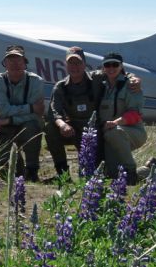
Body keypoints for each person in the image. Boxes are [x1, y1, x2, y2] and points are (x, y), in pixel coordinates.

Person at [45, 46, 142, 179]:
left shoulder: (97, 78)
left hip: (95, 131)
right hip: (73, 129)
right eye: (71, 63)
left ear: (85, 64)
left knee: (101, 174)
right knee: (50, 128)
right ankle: (63, 174)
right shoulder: (60, 87)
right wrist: (62, 125)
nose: (75, 66)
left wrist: (133, 78)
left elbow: (117, 73)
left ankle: (144, 170)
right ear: (65, 65)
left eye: (78, 62)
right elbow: (54, 112)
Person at [0, 44, 45, 182]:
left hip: (21, 124)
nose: (15, 64)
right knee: (8, 174)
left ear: (25, 63)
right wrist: (30, 108)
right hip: (4, 127)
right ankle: (17, 169)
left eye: (18, 60)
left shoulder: (36, 81)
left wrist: (10, 120)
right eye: (11, 60)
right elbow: (1, 110)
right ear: (5, 64)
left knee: (32, 126)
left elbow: (37, 114)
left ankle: (32, 170)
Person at [98, 52, 147, 185]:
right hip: (109, 135)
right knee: (113, 175)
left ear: (121, 66)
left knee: (114, 132)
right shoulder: (100, 83)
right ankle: (151, 168)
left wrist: (115, 123)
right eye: (107, 65)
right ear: (103, 67)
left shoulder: (130, 85)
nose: (111, 68)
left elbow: (135, 114)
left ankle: (131, 171)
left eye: (115, 64)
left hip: (132, 132)